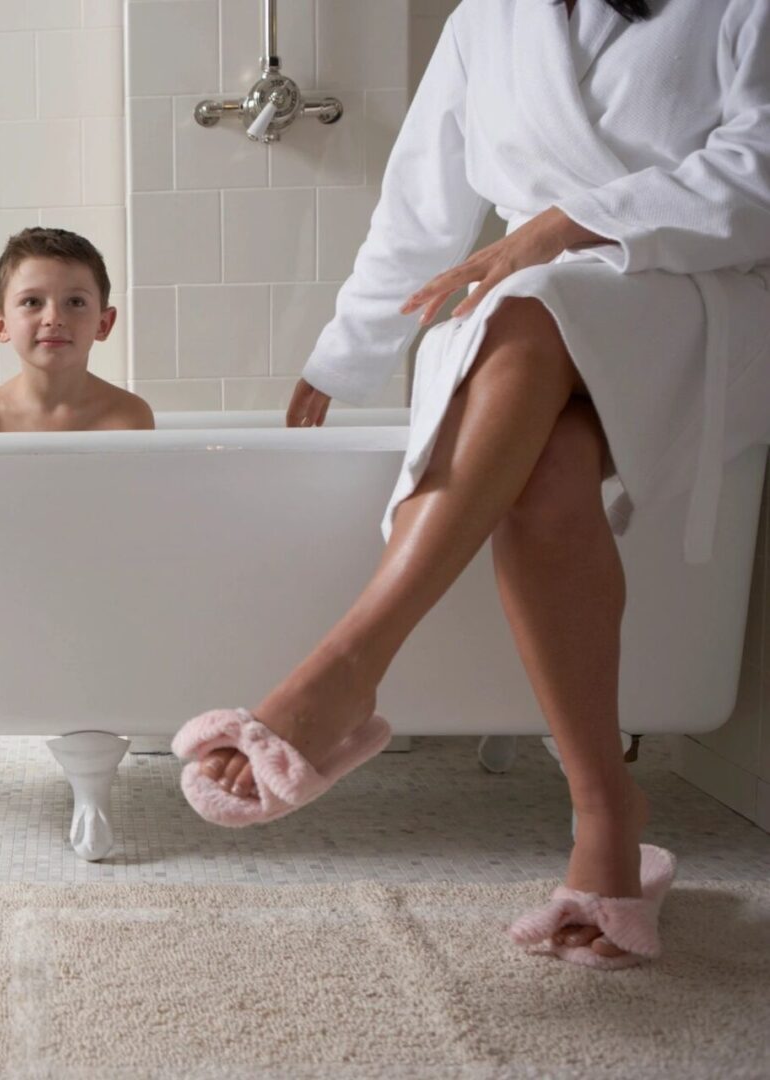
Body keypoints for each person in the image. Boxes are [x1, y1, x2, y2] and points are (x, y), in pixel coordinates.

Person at [173, 0, 770, 970]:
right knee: (543, 470)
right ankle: (607, 816)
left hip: (696, 303)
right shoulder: (489, 18)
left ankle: (345, 668)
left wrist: (560, 228)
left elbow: (761, 167)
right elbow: (421, 204)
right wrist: (345, 353)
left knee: (530, 299)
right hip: (525, 328)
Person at [0, 227, 153, 433]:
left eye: (75, 302)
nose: (53, 319)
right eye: (32, 301)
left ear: (103, 324)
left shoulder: (129, 416)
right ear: (0, 324)